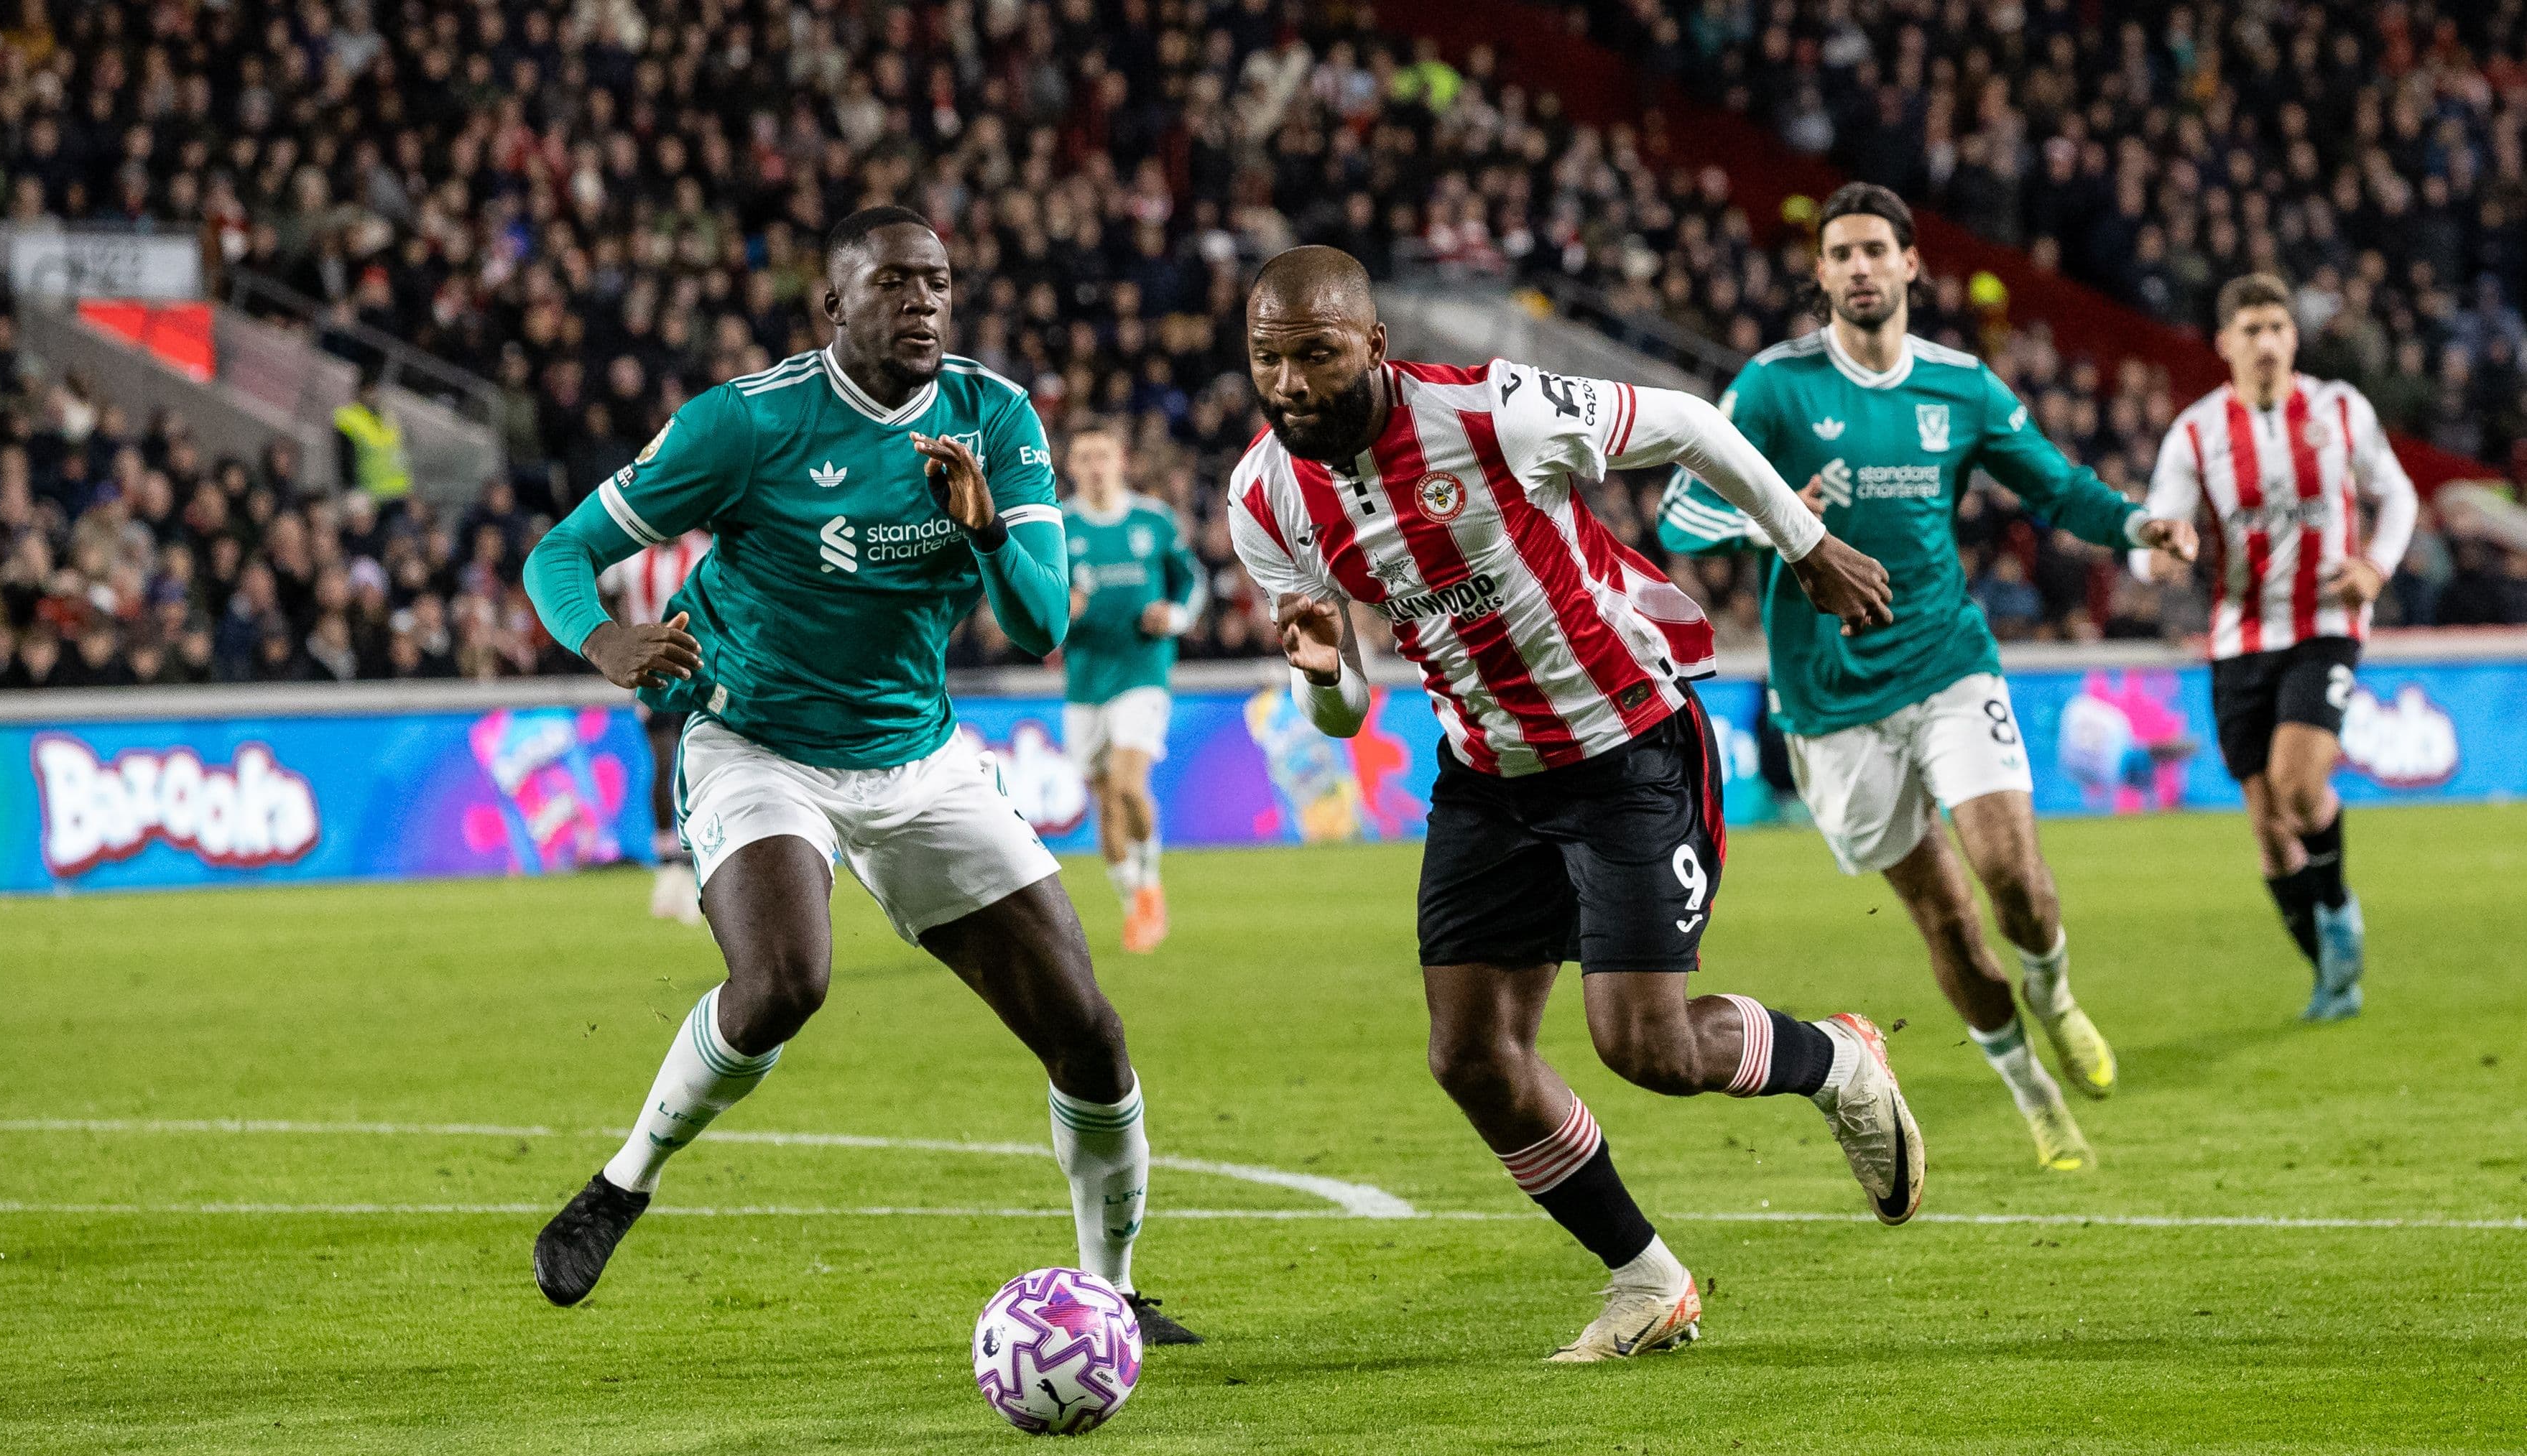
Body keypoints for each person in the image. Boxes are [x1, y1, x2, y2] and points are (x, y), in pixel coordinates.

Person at [1229, 244, 1923, 1363]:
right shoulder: (1263, 496)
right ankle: (1645, 1279)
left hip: (1624, 743)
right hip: (1487, 773)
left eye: (1315, 354)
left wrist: (1803, 546)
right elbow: (1345, 715)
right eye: (1268, 359)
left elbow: (1691, 424)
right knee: (1468, 1056)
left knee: (1644, 1044)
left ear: (1373, 344)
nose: (1291, 383)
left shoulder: (1494, 411)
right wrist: (1320, 671)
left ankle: (1836, 1059)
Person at [521, 205, 1197, 1345]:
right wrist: (603, 641)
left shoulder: (995, 417)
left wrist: (983, 526)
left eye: (936, 281)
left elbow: (1038, 622)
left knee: (1088, 1032)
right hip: (758, 745)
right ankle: (621, 1182)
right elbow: (561, 552)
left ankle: (1112, 1294)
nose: (923, 301)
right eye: (892, 283)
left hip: (919, 762)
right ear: (833, 305)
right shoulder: (745, 424)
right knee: (786, 977)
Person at [1658, 183, 2196, 1173]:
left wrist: (2133, 525)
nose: (1859, 267)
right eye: (1840, 254)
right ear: (1818, 274)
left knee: (2012, 877)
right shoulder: (1772, 388)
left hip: (1945, 659)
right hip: (1828, 700)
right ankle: (2030, 1091)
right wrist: (1773, 516)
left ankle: (2055, 990)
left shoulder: (1959, 385)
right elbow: (1678, 517)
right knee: (1944, 915)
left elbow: (2055, 485)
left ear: (1910, 265)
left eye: (1875, 250)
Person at [2142, 272, 2416, 1020]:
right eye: (2250, 329)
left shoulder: (2338, 409)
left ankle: (2334, 907)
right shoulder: (2195, 431)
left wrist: (2374, 566)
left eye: (2276, 327)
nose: (2265, 342)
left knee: (2297, 787)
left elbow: (2397, 494)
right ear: (2224, 341)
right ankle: (2329, 974)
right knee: (2267, 828)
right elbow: (2156, 528)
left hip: (2323, 625)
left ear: (2292, 337)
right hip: (2237, 637)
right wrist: (2156, 554)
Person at [1061, 423, 1201, 952]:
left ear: (1121, 460)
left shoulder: (1153, 519)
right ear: (1071, 467)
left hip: (1143, 669)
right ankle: (1134, 900)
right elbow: (1036, 597)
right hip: (1085, 679)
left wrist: (1177, 614)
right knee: (1106, 803)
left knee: (1126, 782)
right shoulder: (1058, 526)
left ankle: (1150, 881)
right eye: (1084, 457)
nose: (1095, 465)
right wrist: (1058, 610)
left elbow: (1190, 581)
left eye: (1103, 454)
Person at [600, 524, 713, 922]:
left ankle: (702, 859)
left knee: (697, 764)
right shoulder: (632, 556)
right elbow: (607, 590)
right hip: (653, 676)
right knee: (665, 762)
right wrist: (623, 640)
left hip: (699, 671)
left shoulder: (701, 548)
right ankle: (670, 866)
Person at [333, 370, 414, 524]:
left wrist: (408, 489)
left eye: (374, 389)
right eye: (368, 389)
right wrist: (352, 489)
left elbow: (398, 454)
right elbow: (345, 458)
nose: (372, 394)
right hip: (369, 494)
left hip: (397, 492)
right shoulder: (349, 417)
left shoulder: (388, 418)